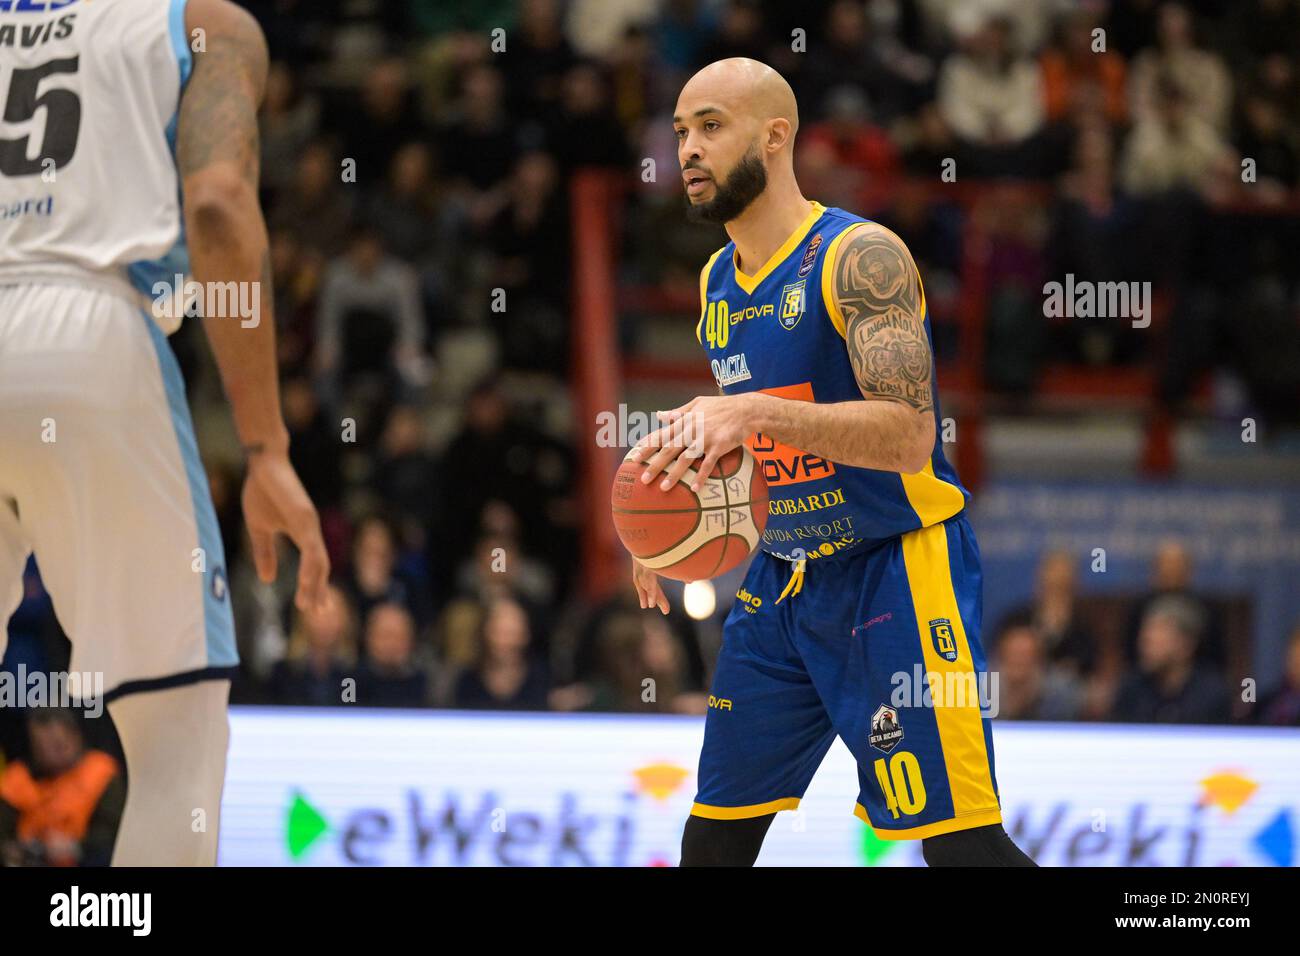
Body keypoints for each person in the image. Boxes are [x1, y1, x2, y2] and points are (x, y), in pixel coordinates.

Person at [631, 58, 1033, 866]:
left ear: (776, 136)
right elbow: (762, 452)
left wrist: (745, 410)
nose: (689, 149)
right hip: (786, 579)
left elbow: (907, 435)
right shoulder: (718, 282)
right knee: (711, 844)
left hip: (898, 570)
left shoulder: (860, 258)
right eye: (680, 132)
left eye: (711, 126)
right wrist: (667, 523)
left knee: (963, 853)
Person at [0, 0, 329, 865]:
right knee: (175, 739)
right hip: (92, 331)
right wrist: (264, 447)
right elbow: (219, 205)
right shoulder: (208, 25)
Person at [0, 710, 124, 867]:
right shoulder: (17, 779)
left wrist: (76, 848)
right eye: (44, 746)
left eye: (60, 744)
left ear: (76, 735)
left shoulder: (100, 773)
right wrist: (10, 851)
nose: (53, 752)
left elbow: (114, 832)